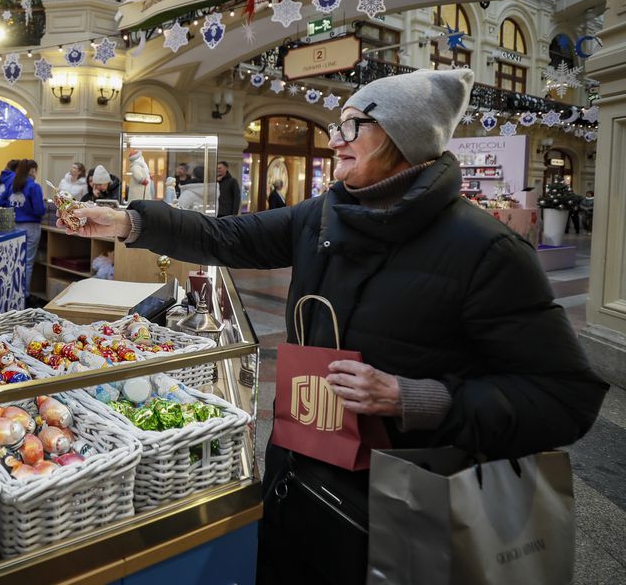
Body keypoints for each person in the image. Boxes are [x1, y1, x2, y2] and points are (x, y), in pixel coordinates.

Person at [67, 67, 607, 584]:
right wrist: (130, 220)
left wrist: (410, 397)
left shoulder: (486, 251)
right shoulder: (324, 214)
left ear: (402, 137)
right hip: (297, 481)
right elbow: (228, 237)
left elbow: (564, 399)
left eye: (353, 125)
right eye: (336, 125)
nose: (335, 139)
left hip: (405, 510)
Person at [0, 159, 45, 297]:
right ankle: (25, 295)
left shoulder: (13, 185)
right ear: (33, 171)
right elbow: (39, 210)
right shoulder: (34, 187)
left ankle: (13, 294)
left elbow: (2, 202)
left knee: (15, 261)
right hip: (31, 226)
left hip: (14, 226)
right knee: (27, 263)